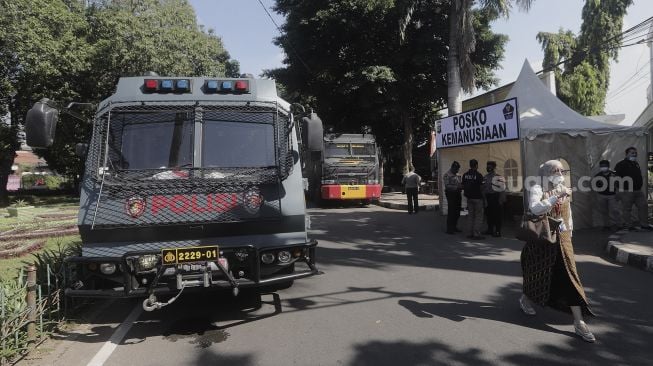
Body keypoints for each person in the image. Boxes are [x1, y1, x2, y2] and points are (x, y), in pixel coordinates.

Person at [519, 160, 596, 343]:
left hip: (563, 239)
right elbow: (534, 208)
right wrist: (554, 197)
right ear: (546, 172)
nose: (561, 173)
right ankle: (525, 298)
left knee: (570, 275)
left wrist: (569, 231)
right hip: (545, 239)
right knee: (539, 272)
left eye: (562, 170)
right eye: (556, 170)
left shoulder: (564, 187)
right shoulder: (538, 187)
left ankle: (579, 322)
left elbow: (568, 212)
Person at [614, 147, 653, 231]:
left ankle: (644, 225)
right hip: (627, 191)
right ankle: (628, 225)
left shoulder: (636, 163)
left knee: (643, 206)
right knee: (627, 209)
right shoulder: (621, 164)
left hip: (638, 190)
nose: (634, 154)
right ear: (627, 154)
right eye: (632, 153)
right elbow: (616, 178)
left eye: (635, 153)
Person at [592, 160, 620, 231]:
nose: (603, 167)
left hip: (612, 195)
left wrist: (618, 193)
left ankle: (614, 225)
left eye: (605, 166)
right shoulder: (598, 176)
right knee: (603, 211)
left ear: (608, 166)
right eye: (601, 166)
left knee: (613, 211)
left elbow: (619, 184)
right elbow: (595, 186)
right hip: (601, 195)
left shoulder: (614, 174)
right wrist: (598, 193)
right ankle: (606, 225)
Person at [482, 161, 506, 237]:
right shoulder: (485, 177)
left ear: (494, 167)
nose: (488, 168)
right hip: (488, 197)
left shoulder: (499, 177)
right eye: (487, 166)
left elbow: (502, 189)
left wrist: (501, 200)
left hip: (496, 197)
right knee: (489, 215)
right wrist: (484, 200)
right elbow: (483, 189)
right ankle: (490, 229)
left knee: (497, 215)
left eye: (490, 166)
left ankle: (498, 231)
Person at [462, 159, 485, 239]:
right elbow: (482, 187)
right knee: (478, 216)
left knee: (470, 216)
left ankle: (469, 233)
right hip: (478, 198)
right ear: (476, 166)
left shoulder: (465, 175)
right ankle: (476, 234)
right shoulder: (479, 175)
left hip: (469, 198)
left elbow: (463, 186)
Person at [443, 161, 463, 234]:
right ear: (452, 168)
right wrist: (457, 187)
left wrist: (461, 186)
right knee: (451, 211)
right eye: (456, 169)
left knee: (457, 211)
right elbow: (447, 186)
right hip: (451, 194)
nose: (457, 170)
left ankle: (454, 226)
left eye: (458, 169)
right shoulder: (447, 175)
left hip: (458, 194)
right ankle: (449, 229)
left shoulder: (458, 175)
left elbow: (460, 183)